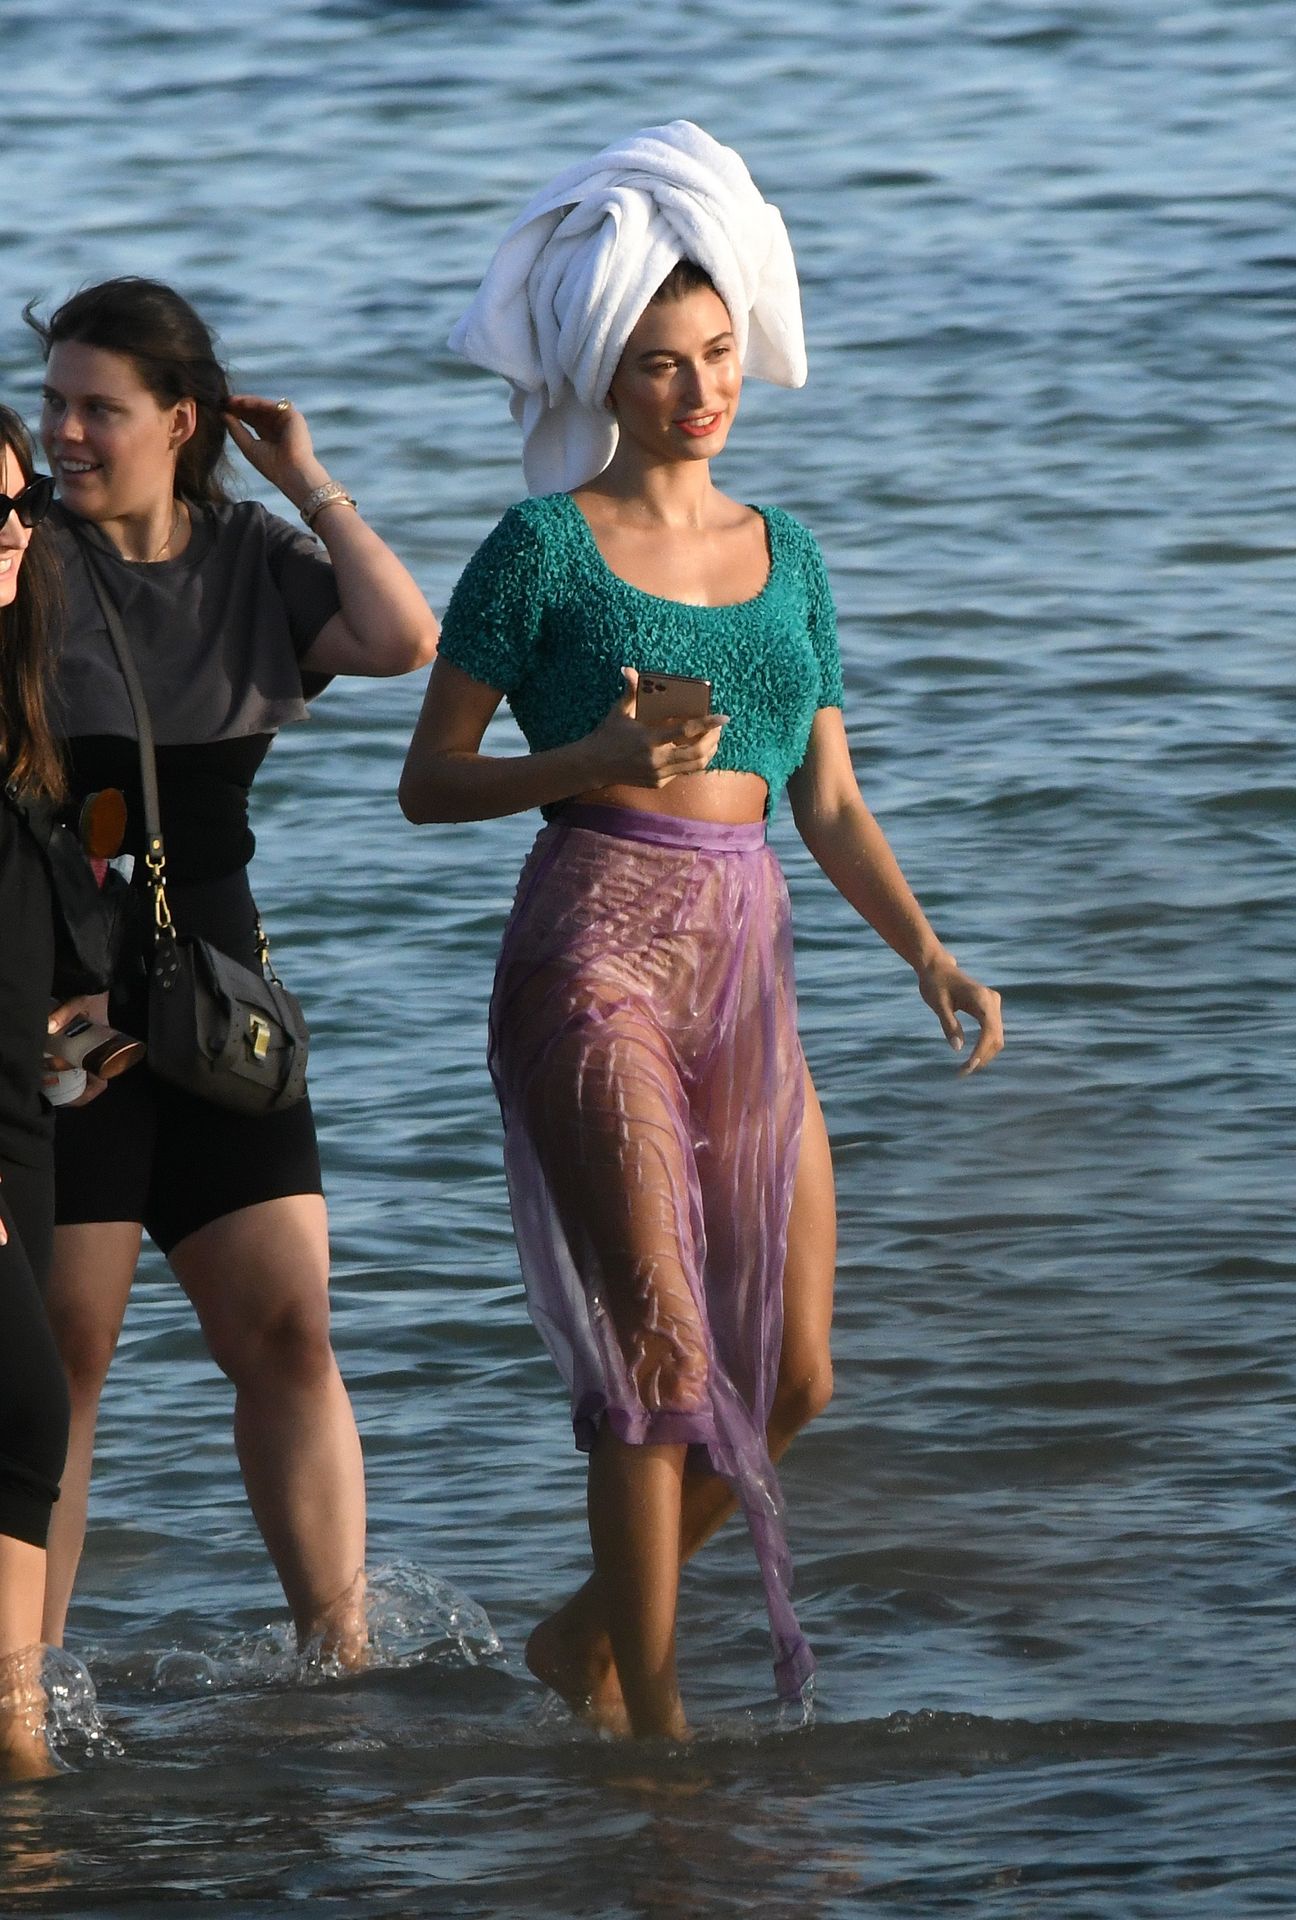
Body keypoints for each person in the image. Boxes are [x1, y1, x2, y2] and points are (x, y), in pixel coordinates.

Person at [400, 123, 1003, 1739]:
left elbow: (830, 800)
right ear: (608, 373)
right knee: (660, 1364)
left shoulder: (788, 551)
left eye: (719, 354)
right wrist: (591, 757)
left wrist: (928, 951)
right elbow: (427, 782)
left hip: (748, 961)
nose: (699, 389)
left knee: (795, 1375)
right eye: (663, 363)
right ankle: (650, 1738)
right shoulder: (541, 548)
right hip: (591, 945)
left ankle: (586, 1634)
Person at [26, 277, 439, 1658]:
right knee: (64, 1359)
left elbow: (403, 639)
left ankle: (341, 1660)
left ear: (180, 421)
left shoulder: (253, 555)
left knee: (287, 1335)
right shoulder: (25, 563)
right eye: (52, 402)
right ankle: (29, 1686)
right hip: (63, 1013)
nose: (64, 432)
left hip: (214, 1005)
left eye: (99, 408)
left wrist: (308, 480)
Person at [0, 404, 77, 1776]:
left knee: (19, 1433)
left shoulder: (14, 706)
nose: (12, 530)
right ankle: (19, 1755)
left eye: (19, 505)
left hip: (27, 1123)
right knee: (22, 1417)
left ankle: (18, 1745)